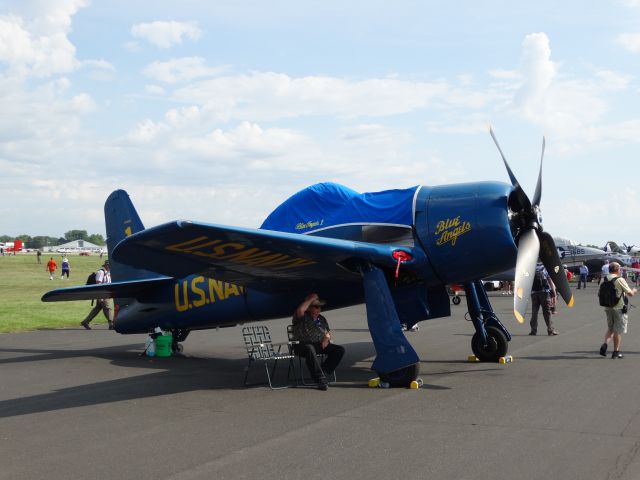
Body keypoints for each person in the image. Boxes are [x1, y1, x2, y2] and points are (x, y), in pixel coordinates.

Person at [291, 293, 345, 390]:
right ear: (308, 307)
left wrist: (326, 338)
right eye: (316, 306)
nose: (319, 309)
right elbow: (300, 310)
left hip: (319, 344)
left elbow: (327, 332)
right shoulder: (301, 316)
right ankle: (320, 379)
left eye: (320, 307)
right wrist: (311, 298)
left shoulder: (321, 318)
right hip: (302, 345)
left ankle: (323, 371)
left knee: (339, 350)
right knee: (309, 348)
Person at [599, 262, 637, 359]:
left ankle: (605, 345)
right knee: (618, 330)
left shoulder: (604, 279)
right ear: (617, 270)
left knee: (610, 328)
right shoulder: (620, 279)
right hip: (619, 307)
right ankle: (616, 352)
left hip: (608, 307)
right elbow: (630, 294)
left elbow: (600, 293)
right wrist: (634, 290)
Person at [80, 261, 114, 330]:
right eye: (108, 265)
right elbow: (98, 284)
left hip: (107, 293)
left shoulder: (109, 273)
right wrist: (100, 296)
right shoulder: (101, 272)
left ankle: (85, 321)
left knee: (97, 309)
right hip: (102, 293)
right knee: (108, 308)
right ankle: (111, 324)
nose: (110, 267)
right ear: (105, 265)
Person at [529, 264, 559, 335]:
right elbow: (550, 280)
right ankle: (550, 330)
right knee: (547, 312)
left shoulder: (530, 267)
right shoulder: (544, 268)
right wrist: (554, 291)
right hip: (544, 292)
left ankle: (533, 330)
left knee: (534, 312)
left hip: (534, 293)